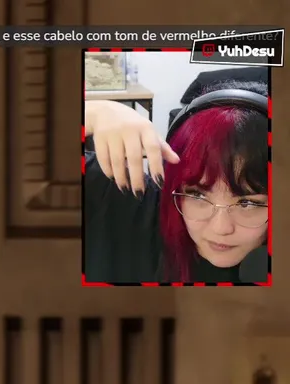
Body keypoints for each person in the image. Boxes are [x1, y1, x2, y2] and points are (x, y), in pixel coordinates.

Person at [83, 73, 269, 283]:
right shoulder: (125, 205)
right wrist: (94, 113)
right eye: (197, 195)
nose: (221, 229)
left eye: (247, 203)